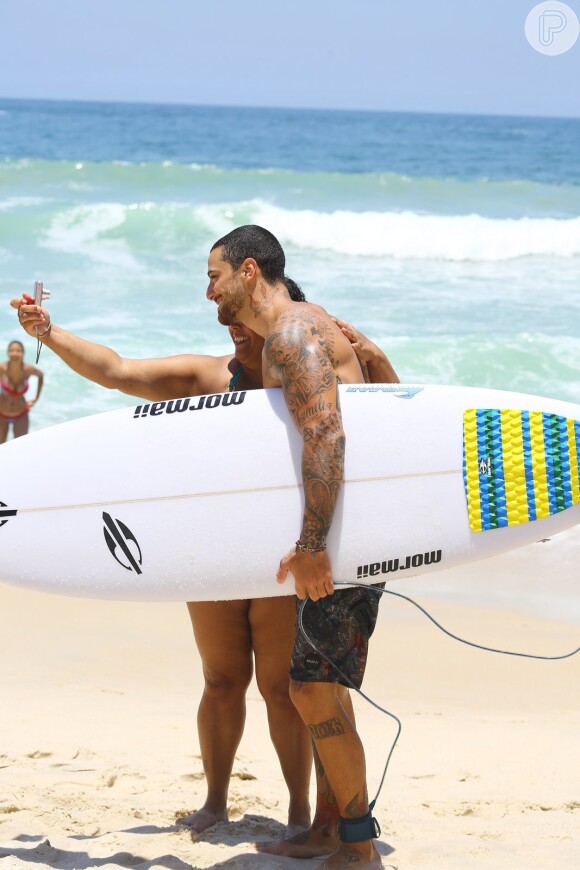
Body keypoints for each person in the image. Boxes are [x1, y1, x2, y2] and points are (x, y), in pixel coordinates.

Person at [11, 280, 396, 846]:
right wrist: (50, 333)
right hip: (212, 556)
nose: (238, 327)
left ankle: (301, 812)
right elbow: (119, 370)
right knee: (221, 681)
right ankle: (216, 801)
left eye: (245, 318)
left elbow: (383, 430)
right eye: (234, 322)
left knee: (283, 688)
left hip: (278, 559)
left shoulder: (300, 364)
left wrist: (376, 356)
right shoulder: (209, 378)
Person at [206, 225, 396, 869]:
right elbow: (382, 407)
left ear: (249, 271)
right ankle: (332, 831)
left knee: (312, 691)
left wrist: (312, 544)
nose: (211, 293)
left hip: (337, 535)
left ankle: (358, 846)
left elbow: (326, 431)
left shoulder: (291, 333)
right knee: (322, 688)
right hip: (347, 528)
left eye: (215, 277)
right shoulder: (297, 333)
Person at [0, 339, 43, 443]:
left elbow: (40, 376)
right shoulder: (2, 368)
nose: (14, 353)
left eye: (18, 351)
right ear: (8, 353)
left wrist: (36, 398)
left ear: (23, 353)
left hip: (21, 414)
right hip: (1, 414)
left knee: (21, 446)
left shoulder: (28, 370)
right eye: (11, 350)